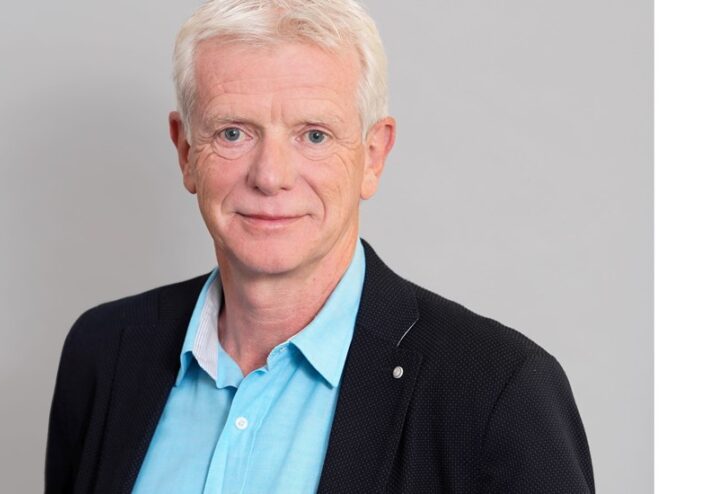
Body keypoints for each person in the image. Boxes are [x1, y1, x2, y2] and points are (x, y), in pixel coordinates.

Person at [45, 0, 594, 492]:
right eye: (233, 132)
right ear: (186, 151)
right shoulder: (105, 351)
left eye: (314, 135)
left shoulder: (498, 392)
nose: (271, 176)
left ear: (373, 156)